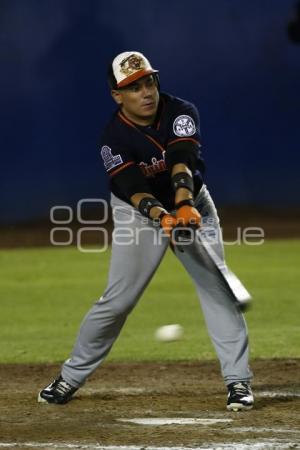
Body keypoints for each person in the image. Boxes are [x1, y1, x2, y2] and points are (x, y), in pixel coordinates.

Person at [38, 51, 254, 411]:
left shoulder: (181, 111)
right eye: (133, 87)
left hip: (193, 204)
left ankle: (239, 382)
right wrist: (162, 216)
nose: (146, 92)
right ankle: (69, 377)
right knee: (118, 300)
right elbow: (133, 187)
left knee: (218, 291)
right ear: (117, 95)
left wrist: (184, 205)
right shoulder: (113, 139)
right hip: (138, 214)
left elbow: (181, 161)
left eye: (149, 82)